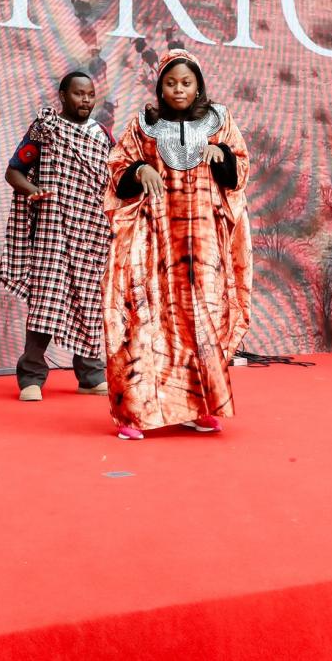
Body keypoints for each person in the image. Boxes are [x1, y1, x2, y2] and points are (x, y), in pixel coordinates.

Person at [101, 50, 252, 440]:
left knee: (200, 321)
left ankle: (198, 407)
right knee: (146, 318)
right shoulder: (143, 125)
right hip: (154, 239)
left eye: (186, 83)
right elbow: (117, 171)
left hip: (204, 245)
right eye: (171, 83)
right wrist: (140, 169)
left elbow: (239, 173)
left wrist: (222, 156)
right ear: (160, 87)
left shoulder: (220, 121)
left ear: (198, 85)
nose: (178, 89)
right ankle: (135, 414)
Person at [0, 72, 115, 402]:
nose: (86, 100)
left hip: (92, 234)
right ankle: (31, 377)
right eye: (79, 94)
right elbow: (14, 172)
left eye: (90, 94)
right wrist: (33, 191)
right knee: (47, 300)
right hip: (53, 231)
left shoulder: (103, 135)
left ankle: (90, 375)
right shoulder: (46, 129)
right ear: (63, 96)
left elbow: (116, 179)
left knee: (90, 301)